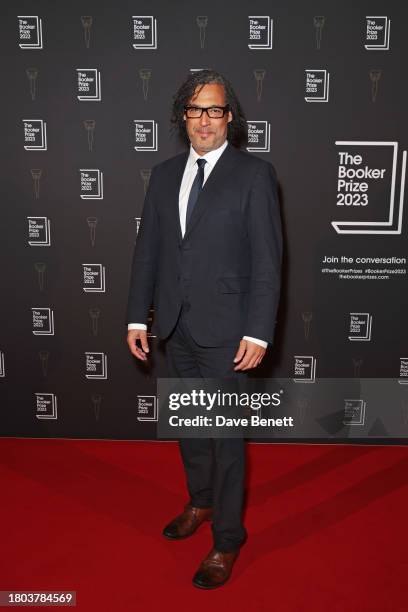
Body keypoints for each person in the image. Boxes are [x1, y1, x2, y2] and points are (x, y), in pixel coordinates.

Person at [126, 69, 282, 589]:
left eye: (214, 110)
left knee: (228, 439)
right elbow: (147, 251)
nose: (204, 120)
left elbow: (267, 261)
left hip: (228, 334)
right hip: (174, 328)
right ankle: (200, 502)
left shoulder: (255, 176)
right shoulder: (164, 173)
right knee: (190, 431)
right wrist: (135, 315)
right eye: (194, 110)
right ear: (182, 118)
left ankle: (228, 539)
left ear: (229, 118)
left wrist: (258, 332)